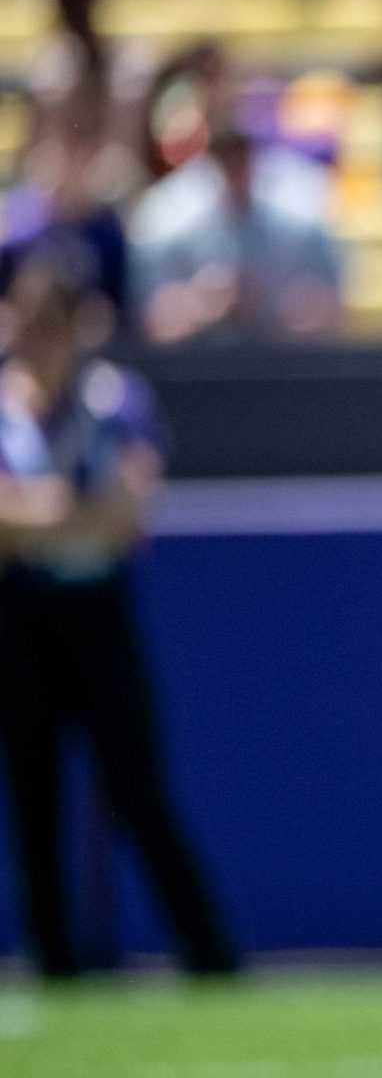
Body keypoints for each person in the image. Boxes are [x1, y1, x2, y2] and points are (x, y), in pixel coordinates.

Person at [0, 254, 238, 981]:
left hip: (99, 610)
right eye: (28, 321)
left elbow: (127, 513)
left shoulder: (113, 401)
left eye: (53, 323)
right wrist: (70, 517)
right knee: (32, 792)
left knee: (137, 788)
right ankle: (55, 961)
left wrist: (48, 518)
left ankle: (209, 954)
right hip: (22, 613)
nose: (38, 339)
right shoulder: (6, 409)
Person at [127, 119, 343, 343]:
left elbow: (330, 313)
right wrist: (204, 304)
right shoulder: (170, 222)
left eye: (241, 155)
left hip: (282, 365)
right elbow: (151, 323)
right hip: (198, 365)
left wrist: (276, 305)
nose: (235, 167)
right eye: (225, 157)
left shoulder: (301, 222)